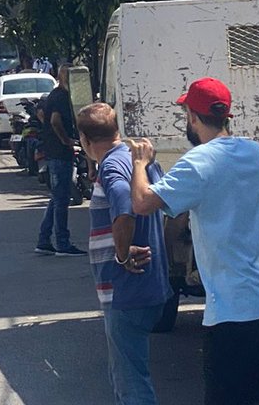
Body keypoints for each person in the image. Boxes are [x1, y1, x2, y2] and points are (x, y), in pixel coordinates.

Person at [129, 76, 259, 405]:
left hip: (232, 309)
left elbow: (143, 203)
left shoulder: (198, 163)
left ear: (192, 117)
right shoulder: (253, 153)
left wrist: (140, 163)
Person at [77, 103, 170, 405]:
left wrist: (121, 255)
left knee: (131, 384)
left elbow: (122, 205)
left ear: (85, 140)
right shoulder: (141, 161)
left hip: (125, 290)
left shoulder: (113, 166)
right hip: (149, 284)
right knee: (129, 376)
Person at [35, 64, 84, 256]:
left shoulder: (54, 95)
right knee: (62, 199)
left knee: (57, 197)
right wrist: (67, 141)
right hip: (59, 152)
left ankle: (44, 239)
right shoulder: (62, 97)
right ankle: (62, 243)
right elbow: (55, 120)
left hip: (53, 150)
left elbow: (43, 116)